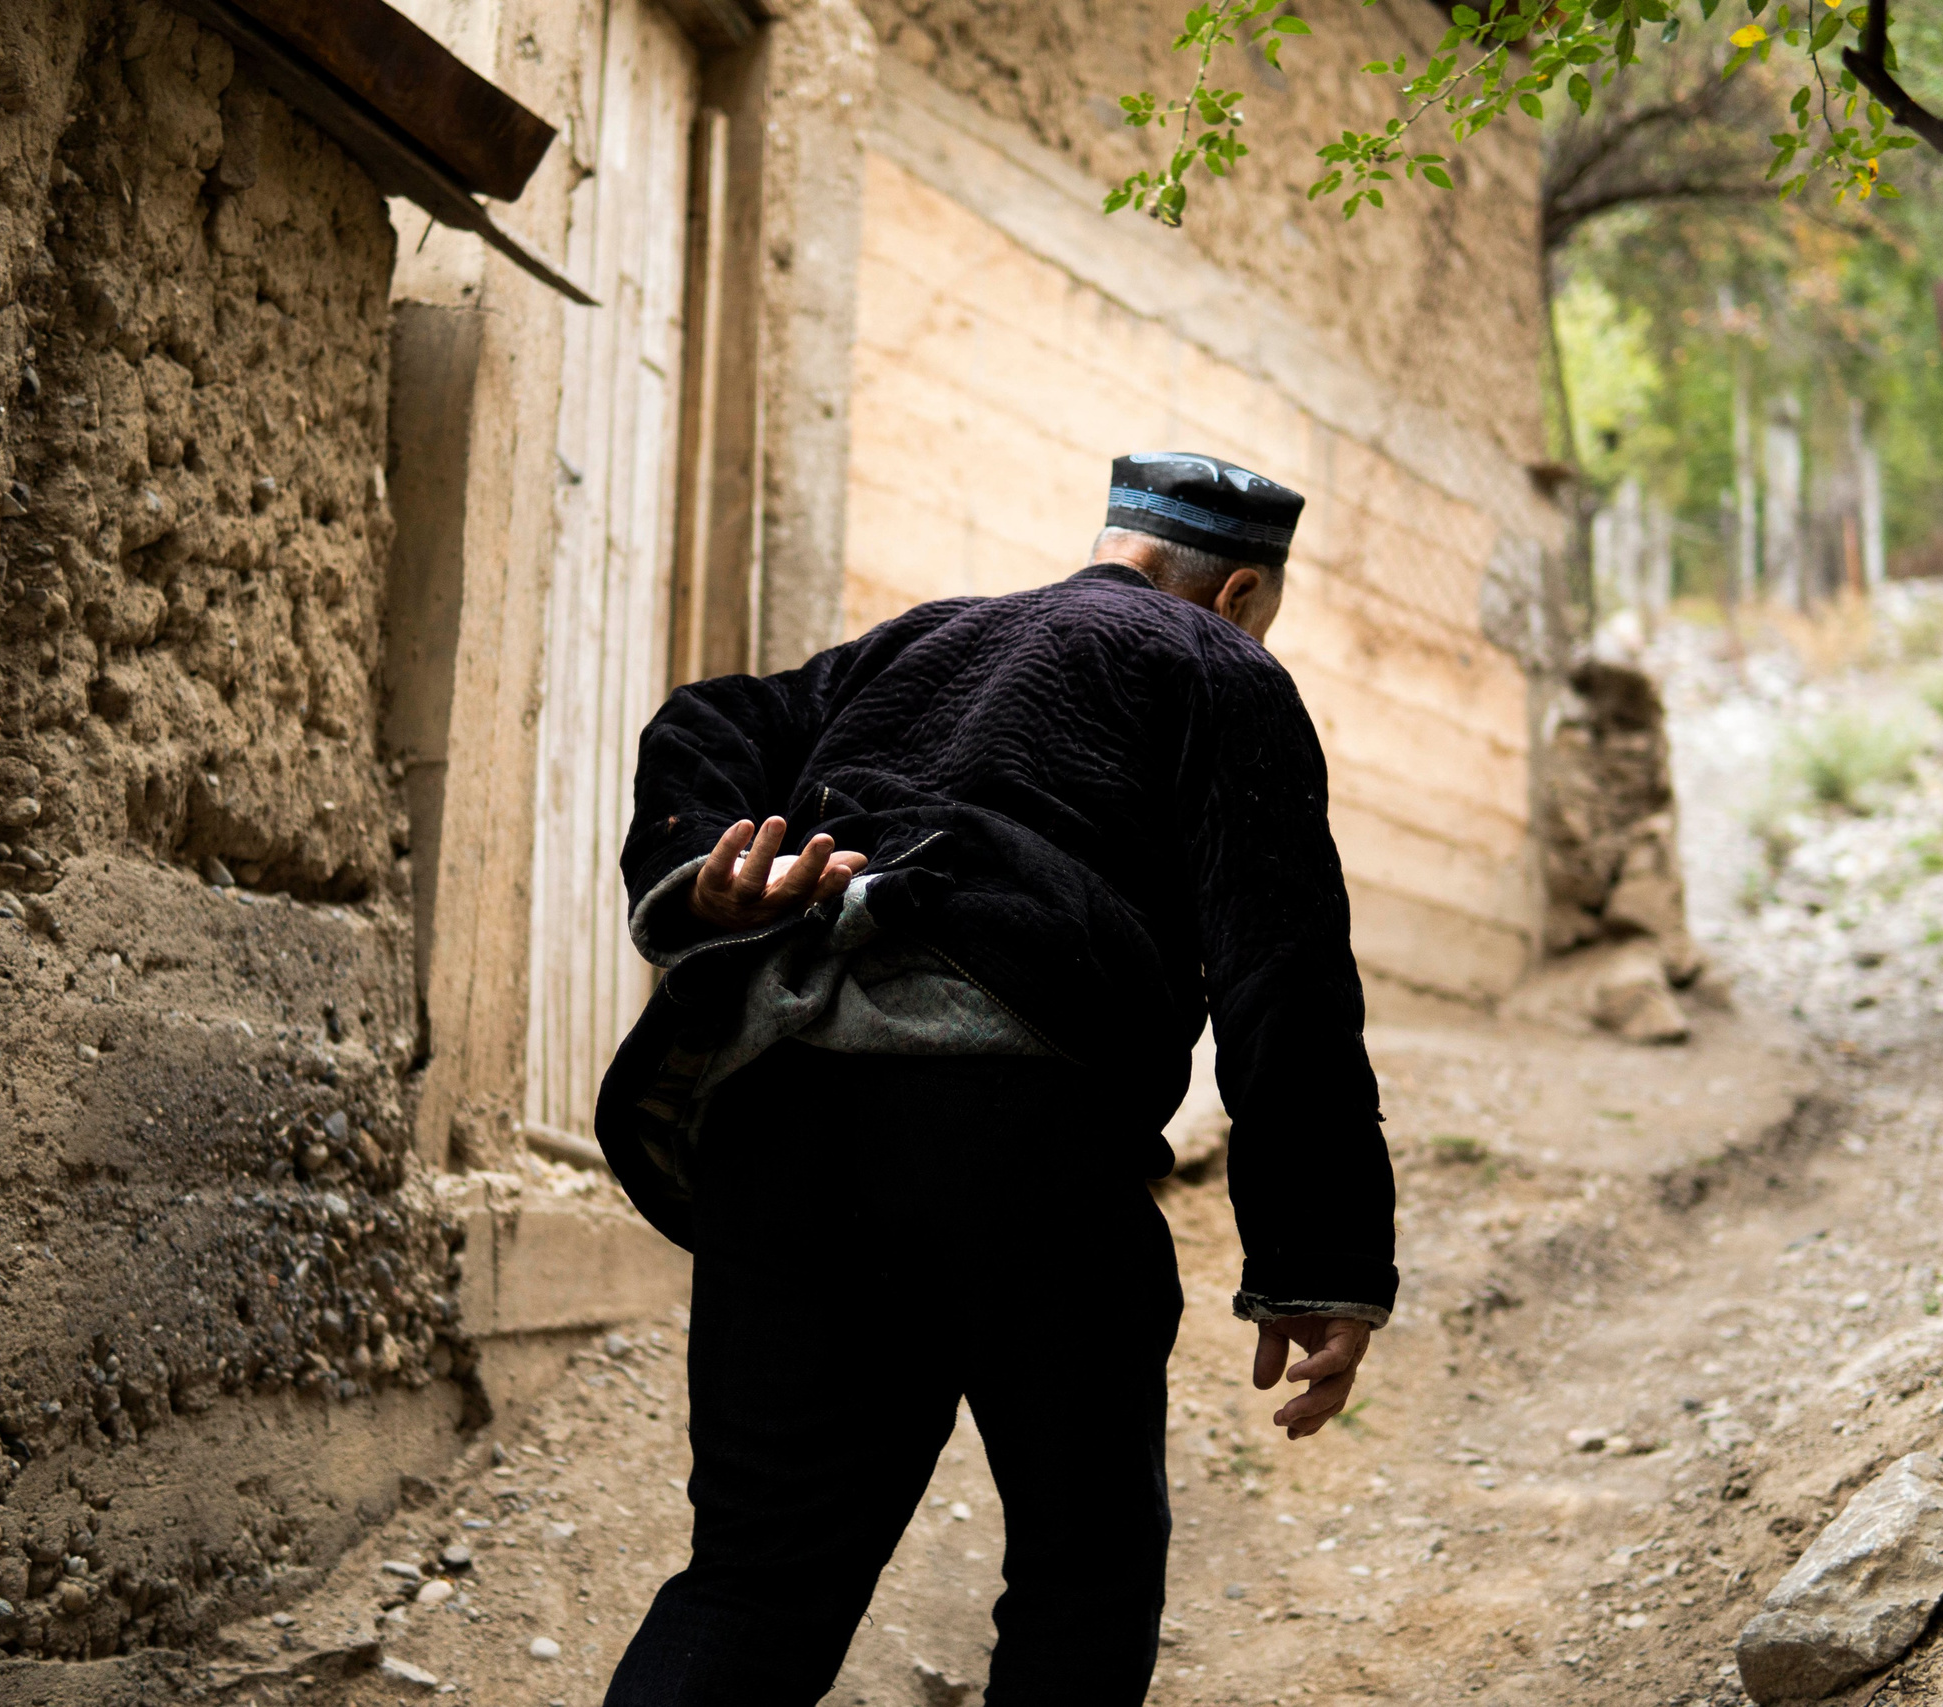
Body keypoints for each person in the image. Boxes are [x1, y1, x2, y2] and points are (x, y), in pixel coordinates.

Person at [594, 452, 1398, 1706]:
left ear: (1112, 544)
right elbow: (1282, 979)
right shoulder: (1220, 668)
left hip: (773, 1119)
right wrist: (1320, 1257)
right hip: (1012, 1140)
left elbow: (709, 716)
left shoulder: (921, 638)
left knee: (757, 1574)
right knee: (1086, 1569)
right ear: (1240, 591)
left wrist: (703, 865)